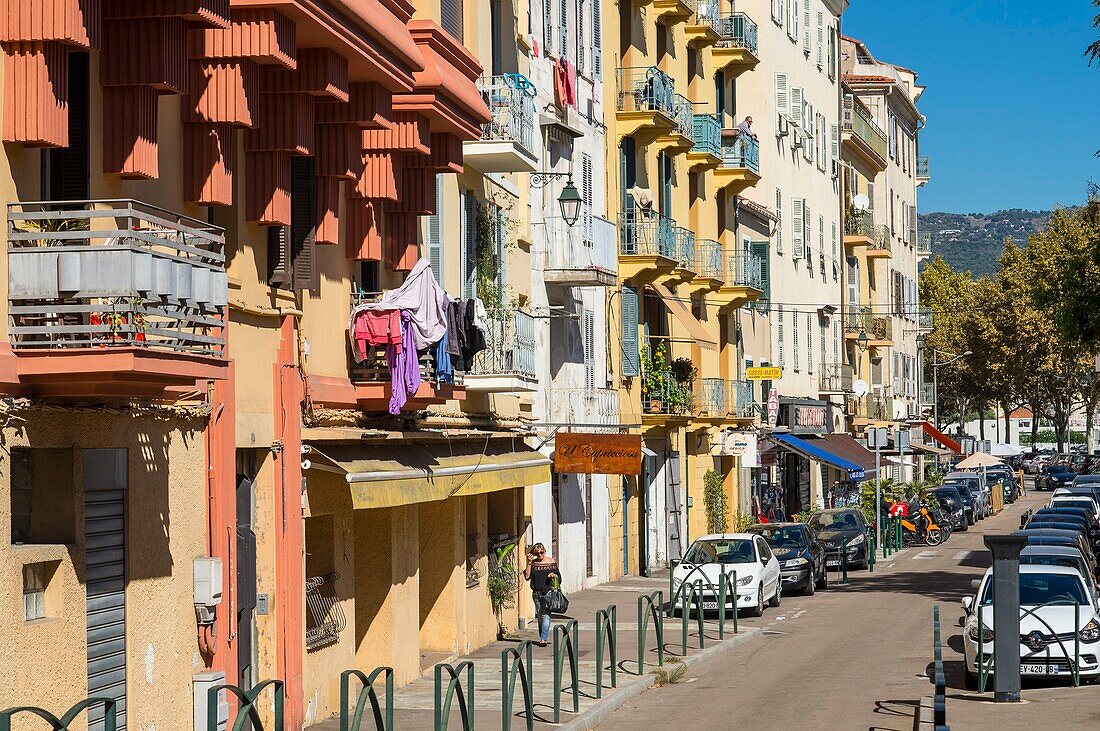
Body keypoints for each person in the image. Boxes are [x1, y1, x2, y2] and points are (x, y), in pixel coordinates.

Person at [523, 542, 559, 647]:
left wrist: (553, 575)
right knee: (540, 615)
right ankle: (542, 635)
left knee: (545, 616)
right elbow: (527, 576)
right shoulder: (533, 563)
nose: (540, 555)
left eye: (541, 552)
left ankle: (543, 639)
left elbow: (559, 576)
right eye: (537, 553)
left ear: (545, 551)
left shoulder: (551, 562)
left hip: (548, 593)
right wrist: (529, 562)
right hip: (536, 594)